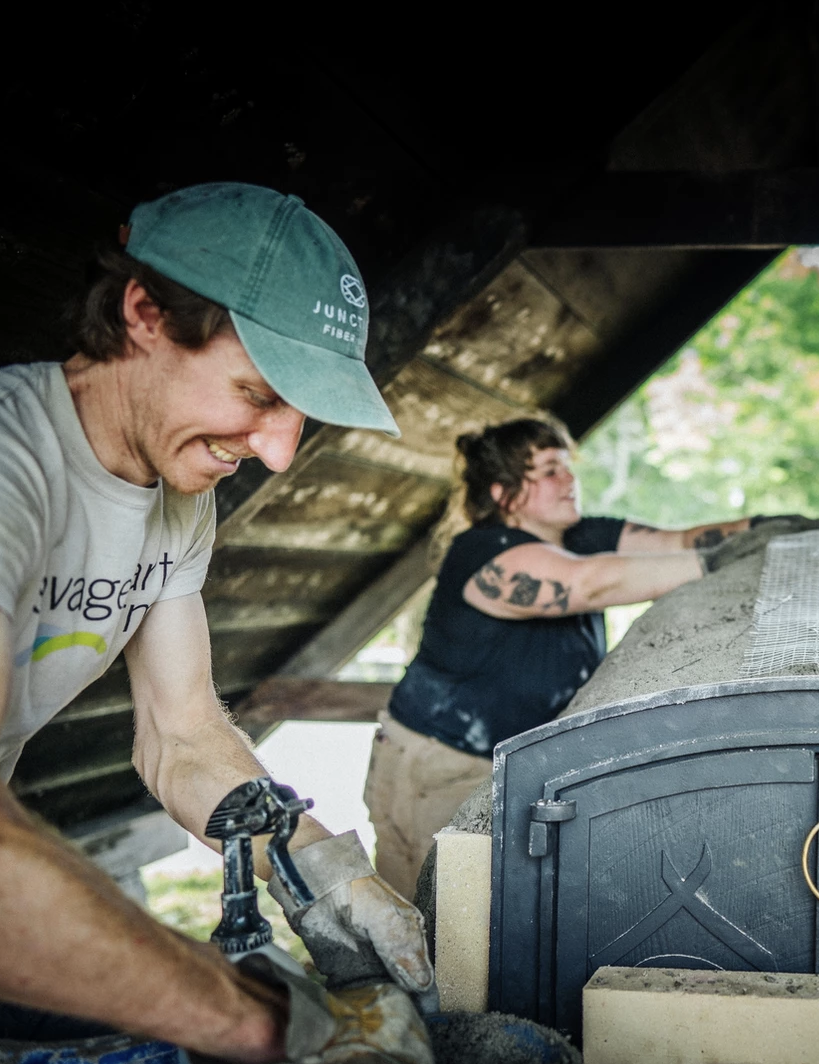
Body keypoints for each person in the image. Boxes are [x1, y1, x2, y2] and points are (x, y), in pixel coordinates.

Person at [0, 183, 434, 1061]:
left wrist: (326, 870)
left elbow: (183, 735)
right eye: (257, 392)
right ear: (144, 315)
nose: (277, 451)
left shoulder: (175, 498)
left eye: (297, 413)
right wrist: (256, 1021)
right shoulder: (15, 465)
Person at [364, 416, 773, 899]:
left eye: (567, 467)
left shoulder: (580, 536)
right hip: (437, 763)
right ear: (503, 493)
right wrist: (724, 563)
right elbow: (588, 583)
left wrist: (768, 530)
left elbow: (682, 541)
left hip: (501, 763)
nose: (569, 479)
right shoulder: (480, 552)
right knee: (427, 907)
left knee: (484, 910)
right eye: (550, 471)